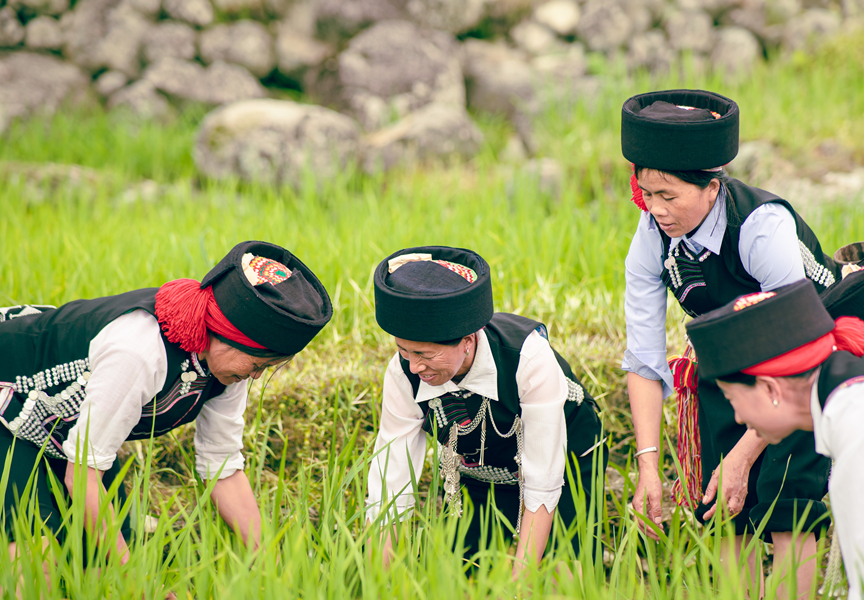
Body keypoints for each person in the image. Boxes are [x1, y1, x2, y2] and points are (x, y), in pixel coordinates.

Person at [0, 241, 332, 573]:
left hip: (66, 430)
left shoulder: (226, 367)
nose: (255, 376)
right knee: (36, 558)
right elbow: (83, 476)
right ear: (230, 334)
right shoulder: (139, 352)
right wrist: (134, 582)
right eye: (257, 365)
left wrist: (273, 563)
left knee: (107, 551)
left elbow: (222, 466)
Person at [620, 89, 842, 597]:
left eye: (668, 196)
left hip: (810, 358)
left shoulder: (762, 227)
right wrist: (648, 466)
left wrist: (743, 456)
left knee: (787, 501)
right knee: (720, 509)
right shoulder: (652, 235)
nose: (655, 210)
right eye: (646, 194)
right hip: (730, 361)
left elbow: (797, 345)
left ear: (712, 186)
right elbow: (644, 359)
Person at [365, 246, 607, 577]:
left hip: (565, 460)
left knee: (561, 576)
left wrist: (521, 581)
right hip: (481, 466)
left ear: (467, 341)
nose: (415, 365)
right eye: (403, 350)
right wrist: (376, 579)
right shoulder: (402, 373)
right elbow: (392, 484)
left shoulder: (527, 358)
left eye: (426, 354)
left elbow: (543, 480)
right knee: (459, 575)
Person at [685, 273, 864, 599]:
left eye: (733, 400)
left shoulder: (855, 437)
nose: (738, 418)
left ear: (770, 389)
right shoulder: (845, 407)